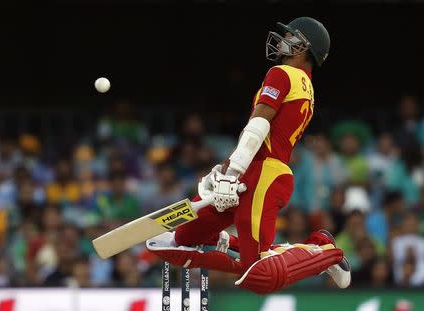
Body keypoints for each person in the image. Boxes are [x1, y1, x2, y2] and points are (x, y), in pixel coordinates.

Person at [147, 17, 350, 294]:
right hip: (251, 170)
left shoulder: (283, 73)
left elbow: (259, 125)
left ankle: (325, 251)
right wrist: (226, 167)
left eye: (290, 37)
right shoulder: (306, 86)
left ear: (305, 48)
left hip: (265, 174)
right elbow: (265, 134)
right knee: (180, 243)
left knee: (261, 276)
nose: (281, 42)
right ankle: (231, 244)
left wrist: (232, 173)